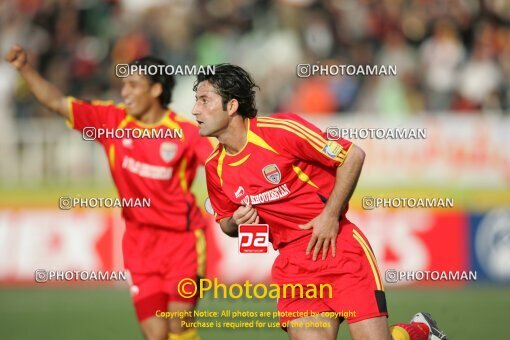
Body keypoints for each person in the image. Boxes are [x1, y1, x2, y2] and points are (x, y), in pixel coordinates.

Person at [193, 63, 448, 340]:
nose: (195, 110)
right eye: (196, 101)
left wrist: (329, 215)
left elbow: (352, 156)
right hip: (293, 264)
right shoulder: (214, 167)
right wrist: (235, 222)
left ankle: (420, 330)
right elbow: (226, 224)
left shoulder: (280, 131)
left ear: (231, 106)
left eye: (204, 100)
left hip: (339, 246)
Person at [5, 45, 212, 340]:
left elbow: (221, 166)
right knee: (155, 334)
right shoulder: (112, 121)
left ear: (155, 90)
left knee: (178, 327)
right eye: (123, 84)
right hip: (140, 245)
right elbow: (56, 102)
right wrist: (25, 68)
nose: (124, 92)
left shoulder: (186, 132)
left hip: (183, 240)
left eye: (133, 85)